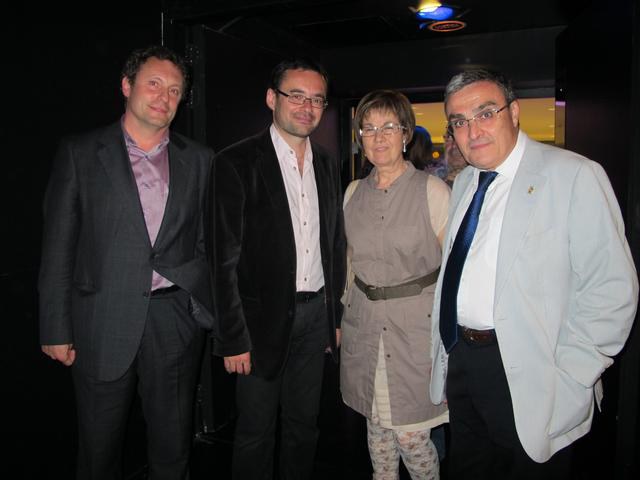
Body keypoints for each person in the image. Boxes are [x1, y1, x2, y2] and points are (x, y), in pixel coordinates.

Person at [429, 69, 638, 479]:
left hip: (535, 375)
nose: (473, 130)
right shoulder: (466, 182)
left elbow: (614, 291)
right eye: (460, 121)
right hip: (463, 362)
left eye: (485, 113)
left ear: (514, 112)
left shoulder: (573, 175)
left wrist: (573, 376)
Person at [38, 45, 214, 479]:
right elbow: (58, 246)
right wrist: (55, 327)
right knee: (98, 453)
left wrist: (197, 306)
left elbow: (208, 241)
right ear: (126, 85)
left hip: (173, 324)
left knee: (173, 451)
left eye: (175, 90)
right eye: (154, 83)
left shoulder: (201, 159)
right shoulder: (81, 153)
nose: (164, 96)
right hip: (101, 322)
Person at [211, 58, 346, 480]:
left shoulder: (328, 163)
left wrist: (334, 318)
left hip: (315, 316)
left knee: (304, 427)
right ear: (272, 98)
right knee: (255, 432)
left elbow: (334, 245)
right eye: (297, 96)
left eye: (317, 99)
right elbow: (222, 259)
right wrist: (232, 338)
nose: (308, 107)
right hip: (258, 324)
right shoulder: (236, 161)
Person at [341, 90, 450, 479]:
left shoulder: (432, 190)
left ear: (405, 133)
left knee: (411, 437)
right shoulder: (353, 193)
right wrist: (341, 319)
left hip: (415, 333)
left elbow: (455, 270)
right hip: (365, 326)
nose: (378, 137)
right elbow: (349, 265)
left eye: (388, 126)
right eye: (368, 128)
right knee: (377, 432)